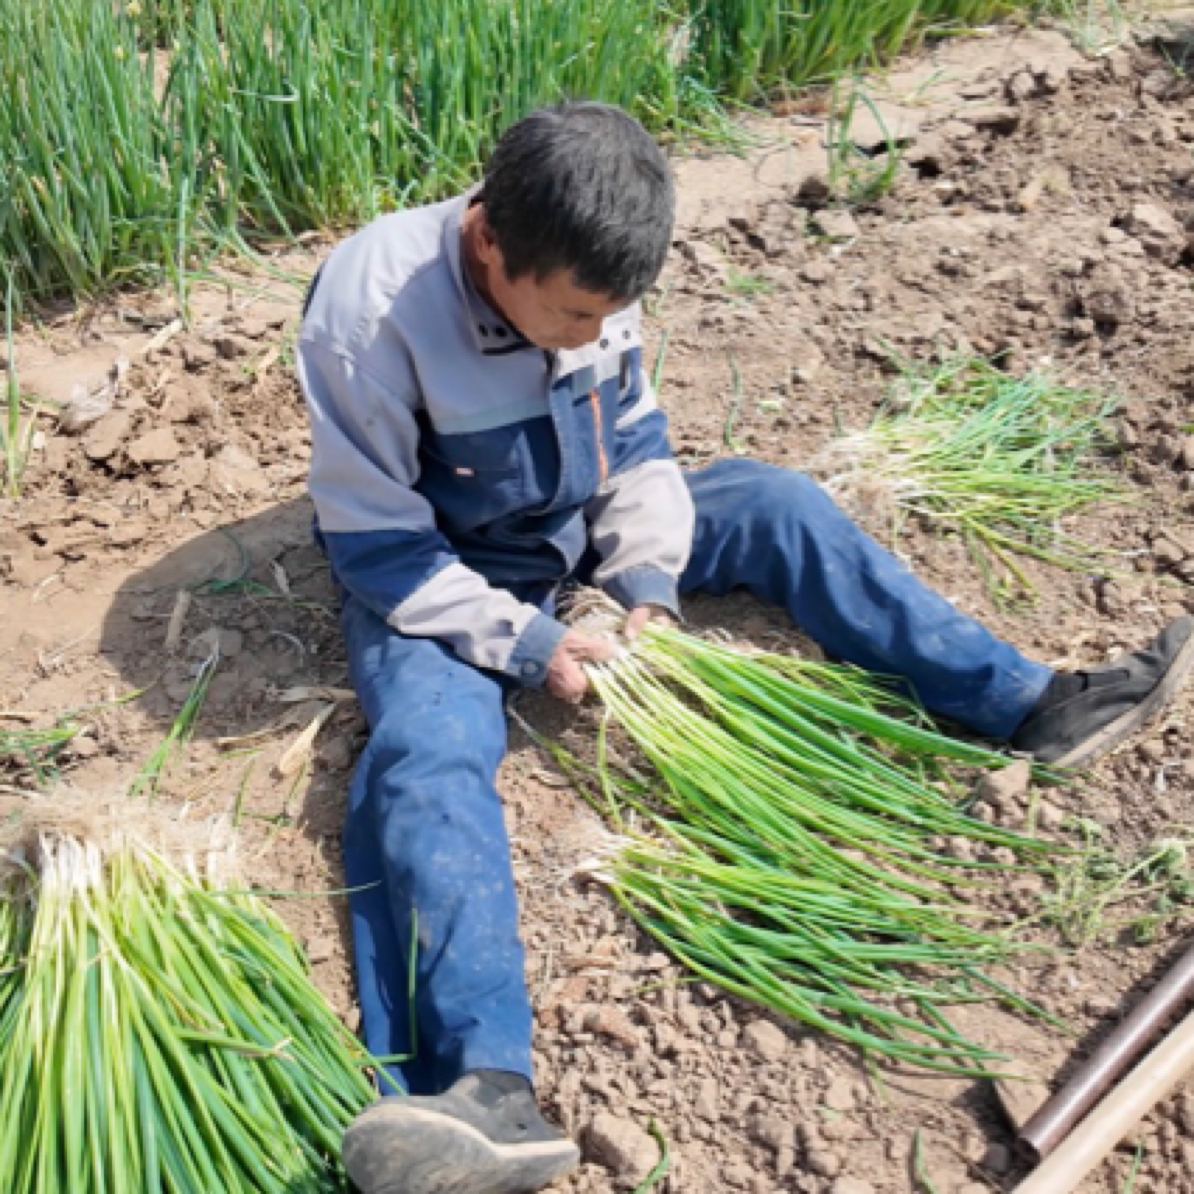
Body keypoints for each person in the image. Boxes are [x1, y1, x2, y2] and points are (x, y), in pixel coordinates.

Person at [297, 101, 1194, 1194]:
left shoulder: (592, 271)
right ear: (489, 242)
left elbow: (636, 448)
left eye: (608, 314)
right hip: (444, 564)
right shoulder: (371, 310)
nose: (589, 333)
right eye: (572, 314)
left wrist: (646, 585)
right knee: (430, 750)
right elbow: (381, 547)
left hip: (569, 522)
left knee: (777, 502)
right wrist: (530, 642)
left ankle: (1031, 702)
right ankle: (483, 1085)